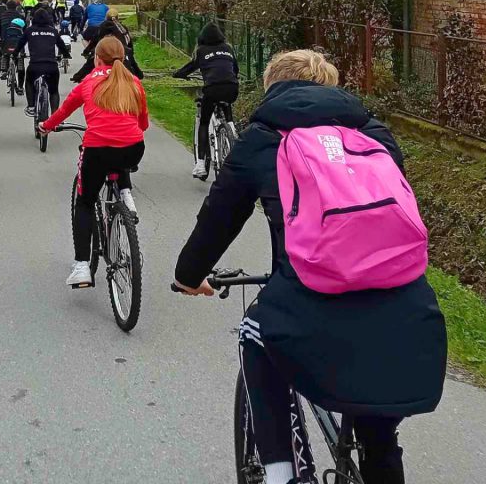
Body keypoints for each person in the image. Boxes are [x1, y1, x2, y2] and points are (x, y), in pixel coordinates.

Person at [173, 50, 447, 484]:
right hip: (405, 306)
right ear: (331, 87)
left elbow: (218, 219)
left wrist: (188, 276)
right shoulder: (376, 134)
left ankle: (281, 472)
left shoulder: (262, 137)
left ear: (274, 87)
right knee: (379, 435)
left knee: (253, 333)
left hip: (310, 300)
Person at [39, 36, 148, 287]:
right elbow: (142, 122)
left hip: (98, 150)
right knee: (120, 151)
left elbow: (64, 110)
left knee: (85, 202)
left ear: (97, 58)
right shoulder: (134, 83)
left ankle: (81, 266)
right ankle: (126, 194)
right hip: (133, 149)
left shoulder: (89, 82)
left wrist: (46, 126)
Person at [171, 22, 240, 179]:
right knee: (227, 104)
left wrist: (178, 74)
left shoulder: (202, 50)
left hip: (212, 89)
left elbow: (190, 67)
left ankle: (200, 164)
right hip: (232, 88)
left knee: (204, 122)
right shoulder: (228, 49)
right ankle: (232, 130)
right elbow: (236, 70)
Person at [16, 6, 70, 116]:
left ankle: (31, 106)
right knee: (54, 91)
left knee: (29, 82)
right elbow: (62, 46)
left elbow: (20, 44)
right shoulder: (53, 31)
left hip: (35, 65)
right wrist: (66, 55)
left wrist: (14, 54)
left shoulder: (29, 31)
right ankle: (55, 115)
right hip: (51, 66)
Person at [71, 8, 143, 82]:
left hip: (104, 52)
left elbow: (93, 41)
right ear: (118, 17)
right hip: (121, 52)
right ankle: (137, 76)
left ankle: (77, 77)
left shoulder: (101, 27)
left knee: (89, 63)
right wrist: (130, 52)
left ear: (106, 17)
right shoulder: (122, 28)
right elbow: (129, 41)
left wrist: (86, 51)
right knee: (131, 66)